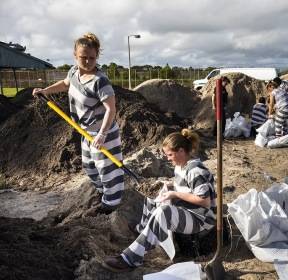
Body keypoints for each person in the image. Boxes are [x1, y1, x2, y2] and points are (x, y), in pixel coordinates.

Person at [32, 33, 124, 214]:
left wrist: (102, 134)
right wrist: (45, 91)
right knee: (90, 167)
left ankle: (111, 204)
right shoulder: (74, 72)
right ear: (75, 55)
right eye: (84, 57)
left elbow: (111, 110)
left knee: (108, 170)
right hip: (85, 132)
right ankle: (102, 193)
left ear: (97, 56)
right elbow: (66, 84)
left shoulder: (100, 81)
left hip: (103, 134)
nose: (88, 61)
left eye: (92, 58)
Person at [102, 129, 216, 272]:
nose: (168, 158)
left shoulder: (195, 171)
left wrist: (175, 193)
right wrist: (169, 188)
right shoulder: (181, 166)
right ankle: (143, 231)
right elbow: (186, 188)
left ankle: (131, 258)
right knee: (153, 198)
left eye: (170, 154)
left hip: (202, 219)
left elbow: (204, 201)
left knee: (164, 212)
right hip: (190, 210)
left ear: (181, 151)